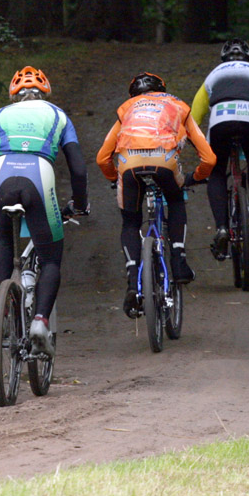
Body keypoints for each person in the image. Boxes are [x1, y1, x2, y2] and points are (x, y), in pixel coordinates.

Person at [0, 66, 89, 356]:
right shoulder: (58, 115)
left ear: (13, 95)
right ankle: (40, 323)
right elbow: (78, 169)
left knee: (4, 241)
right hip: (38, 174)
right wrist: (79, 204)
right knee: (50, 257)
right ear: (44, 93)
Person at [97, 72, 215, 318]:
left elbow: (102, 158)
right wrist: (196, 176)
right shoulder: (178, 105)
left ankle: (133, 281)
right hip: (165, 160)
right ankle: (179, 260)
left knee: (131, 222)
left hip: (129, 164)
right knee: (176, 199)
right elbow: (209, 158)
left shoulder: (126, 109)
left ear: (133, 95)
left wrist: (114, 179)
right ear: (162, 89)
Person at [191, 38, 249, 255]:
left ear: (223, 58)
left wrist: (193, 140)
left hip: (221, 122)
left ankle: (222, 228)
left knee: (216, 170)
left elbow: (194, 117)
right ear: (248, 58)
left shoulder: (213, 75)